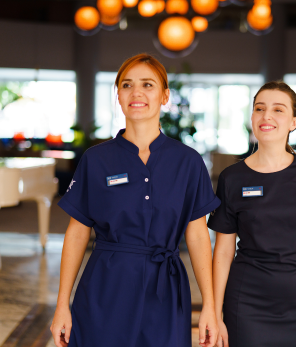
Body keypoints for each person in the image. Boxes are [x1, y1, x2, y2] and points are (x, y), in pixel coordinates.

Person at [50, 53, 221, 347]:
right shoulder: (96, 159)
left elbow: (197, 236)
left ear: (164, 96)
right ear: (118, 95)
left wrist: (209, 306)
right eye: (127, 85)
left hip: (165, 289)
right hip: (106, 287)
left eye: (148, 84)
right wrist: (62, 304)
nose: (136, 92)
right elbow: (77, 233)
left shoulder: (188, 162)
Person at [208, 81, 296, 347]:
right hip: (247, 300)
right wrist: (215, 312)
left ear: (293, 122)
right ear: (252, 117)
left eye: (278, 110)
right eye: (260, 109)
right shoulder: (232, 178)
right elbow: (224, 250)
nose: (267, 116)